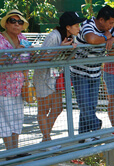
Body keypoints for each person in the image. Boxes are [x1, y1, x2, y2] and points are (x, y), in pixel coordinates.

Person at [71, 6, 114, 135]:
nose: (112, 26)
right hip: (80, 72)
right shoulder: (88, 25)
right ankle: (96, 125)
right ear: (101, 20)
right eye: (110, 22)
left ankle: (84, 136)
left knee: (91, 105)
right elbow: (92, 39)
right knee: (85, 105)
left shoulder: (108, 29)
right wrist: (106, 37)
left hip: (95, 72)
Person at [33, 11, 84, 146]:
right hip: (43, 76)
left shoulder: (70, 37)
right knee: (43, 110)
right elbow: (43, 58)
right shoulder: (54, 36)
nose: (79, 27)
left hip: (54, 76)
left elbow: (66, 58)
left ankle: (45, 139)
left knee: (57, 108)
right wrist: (60, 48)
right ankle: (47, 140)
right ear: (68, 26)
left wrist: (71, 50)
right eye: (76, 25)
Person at [0, 9, 31, 151]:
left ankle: (15, 150)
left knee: (17, 118)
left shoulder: (23, 38)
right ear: (6, 24)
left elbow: (28, 58)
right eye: (12, 21)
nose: (16, 25)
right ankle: (10, 151)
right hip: (3, 87)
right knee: (5, 119)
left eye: (20, 22)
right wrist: (16, 52)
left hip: (18, 87)